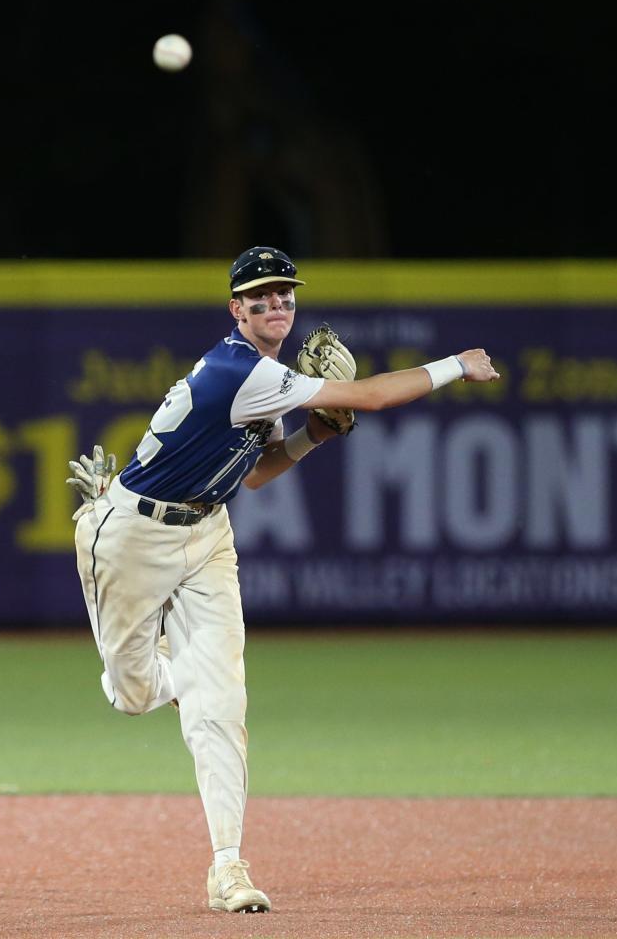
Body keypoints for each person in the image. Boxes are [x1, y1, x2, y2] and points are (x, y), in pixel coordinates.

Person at [68, 246, 500, 914]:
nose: (277, 306)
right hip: (130, 537)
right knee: (132, 696)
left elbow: (259, 471)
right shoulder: (240, 371)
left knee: (222, 707)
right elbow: (375, 395)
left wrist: (314, 438)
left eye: (285, 296)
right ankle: (174, 667)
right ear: (236, 310)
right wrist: (456, 366)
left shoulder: (265, 375)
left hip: (207, 535)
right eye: (261, 298)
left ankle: (228, 868)